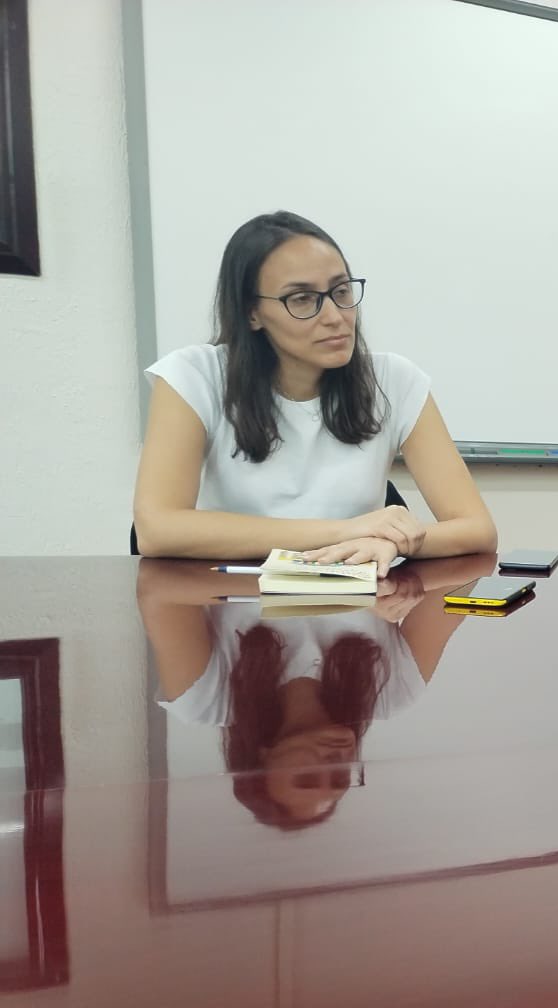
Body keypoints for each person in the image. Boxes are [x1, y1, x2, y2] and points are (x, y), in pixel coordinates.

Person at [133, 211, 497, 575]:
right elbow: (157, 530)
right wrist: (343, 531)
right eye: (303, 299)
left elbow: (477, 529)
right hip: (235, 609)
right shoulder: (194, 376)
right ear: (252, 313)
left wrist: (390, 540)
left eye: (341, 292)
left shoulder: (393, 380)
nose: (335, 316)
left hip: (356, 613)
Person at [138, 554, 493, 827]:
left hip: (239, 514)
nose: (335, 763)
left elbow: (158, 587)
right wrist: (397, 583)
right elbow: (468, 572)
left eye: (308, 777)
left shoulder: (205, 700)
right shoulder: (392, 692)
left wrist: (345, 586)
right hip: (356, 515)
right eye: (340, 778)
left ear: (259, 761)